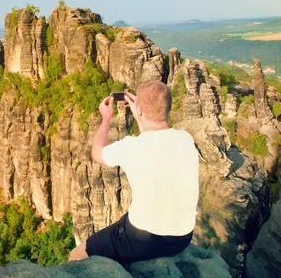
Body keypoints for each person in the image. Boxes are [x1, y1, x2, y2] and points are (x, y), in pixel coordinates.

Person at [68, 80, 199, 263]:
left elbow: (97, 153)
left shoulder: (132, 147)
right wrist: (142, 112)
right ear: (169, 108)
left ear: (139, 110)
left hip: (143, 240)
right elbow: (154, 131)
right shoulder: (186, 140)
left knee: (77, 254)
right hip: (182, 239)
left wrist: (106, 118)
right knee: (125, 218)